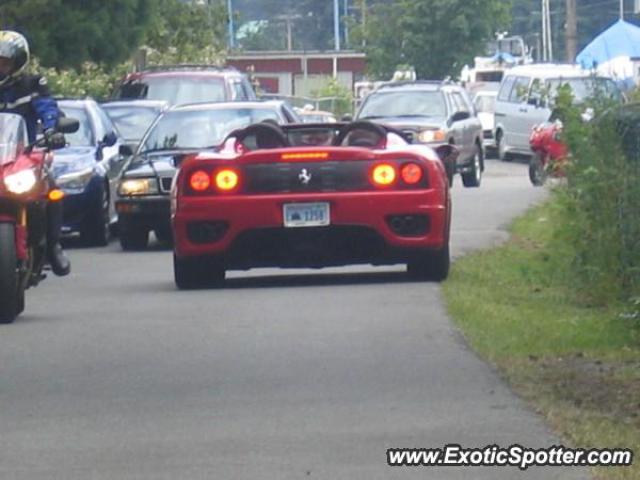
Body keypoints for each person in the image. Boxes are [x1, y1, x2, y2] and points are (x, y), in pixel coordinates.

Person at [0, 30, 70, 276]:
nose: (1, 66)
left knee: (52, 190)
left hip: (24, 153)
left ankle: (53, 245)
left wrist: (52, 130)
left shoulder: (32, 84)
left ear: (18, 62)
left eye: (5, 61)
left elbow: (47, 107)